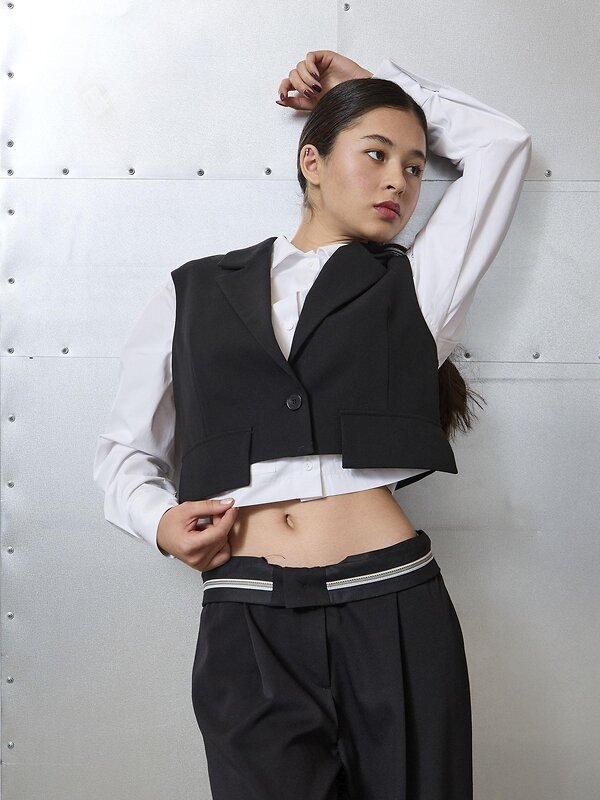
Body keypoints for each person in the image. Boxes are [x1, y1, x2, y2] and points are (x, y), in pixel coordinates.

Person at [93, 49, 531, 799]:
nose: (400, 182)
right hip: (248, 615)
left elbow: (502, 144)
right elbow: (124, 453)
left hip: (393, 601)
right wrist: (158, 522)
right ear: (312, 162)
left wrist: (370, 88)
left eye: (416, 167)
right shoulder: (192, 291)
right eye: (376, 154)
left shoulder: (420, 287)